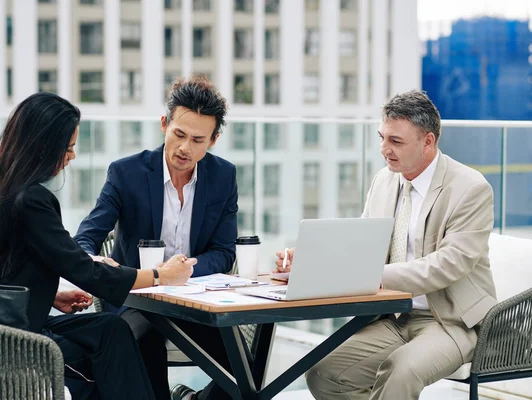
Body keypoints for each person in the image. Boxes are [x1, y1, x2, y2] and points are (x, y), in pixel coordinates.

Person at [0, 92, 197, 400]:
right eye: (68, 148)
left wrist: (50, 294)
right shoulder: (32, 201)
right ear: (44, 147)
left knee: (111, 331)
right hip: (19, 346)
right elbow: (85, 271)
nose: (72, 157)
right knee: (110, 350)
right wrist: (161, 275)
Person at [275, 90, 497, 400]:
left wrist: (377, 276)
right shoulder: (384, 180)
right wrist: (312, 259)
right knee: (326, 374)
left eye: (396, 141)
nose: (384, 149)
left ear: (428, 142)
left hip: (450, 321)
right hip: (393, 317)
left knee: (400, 371)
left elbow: (450, 263)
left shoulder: (470, 188)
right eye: (382, 138)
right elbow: (362, 246)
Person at [74, 75, 238, 400]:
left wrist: (183, 272)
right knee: (144, 340)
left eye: (197, 140)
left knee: (245, 365)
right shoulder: (126, 173)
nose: (184, 148)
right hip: (135, 299)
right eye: (179, 134)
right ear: (164, 124)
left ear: (214, 140)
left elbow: (223, 253)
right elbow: (86, 238)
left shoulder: (223, 176)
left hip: (195, 300)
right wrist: (96, 261)